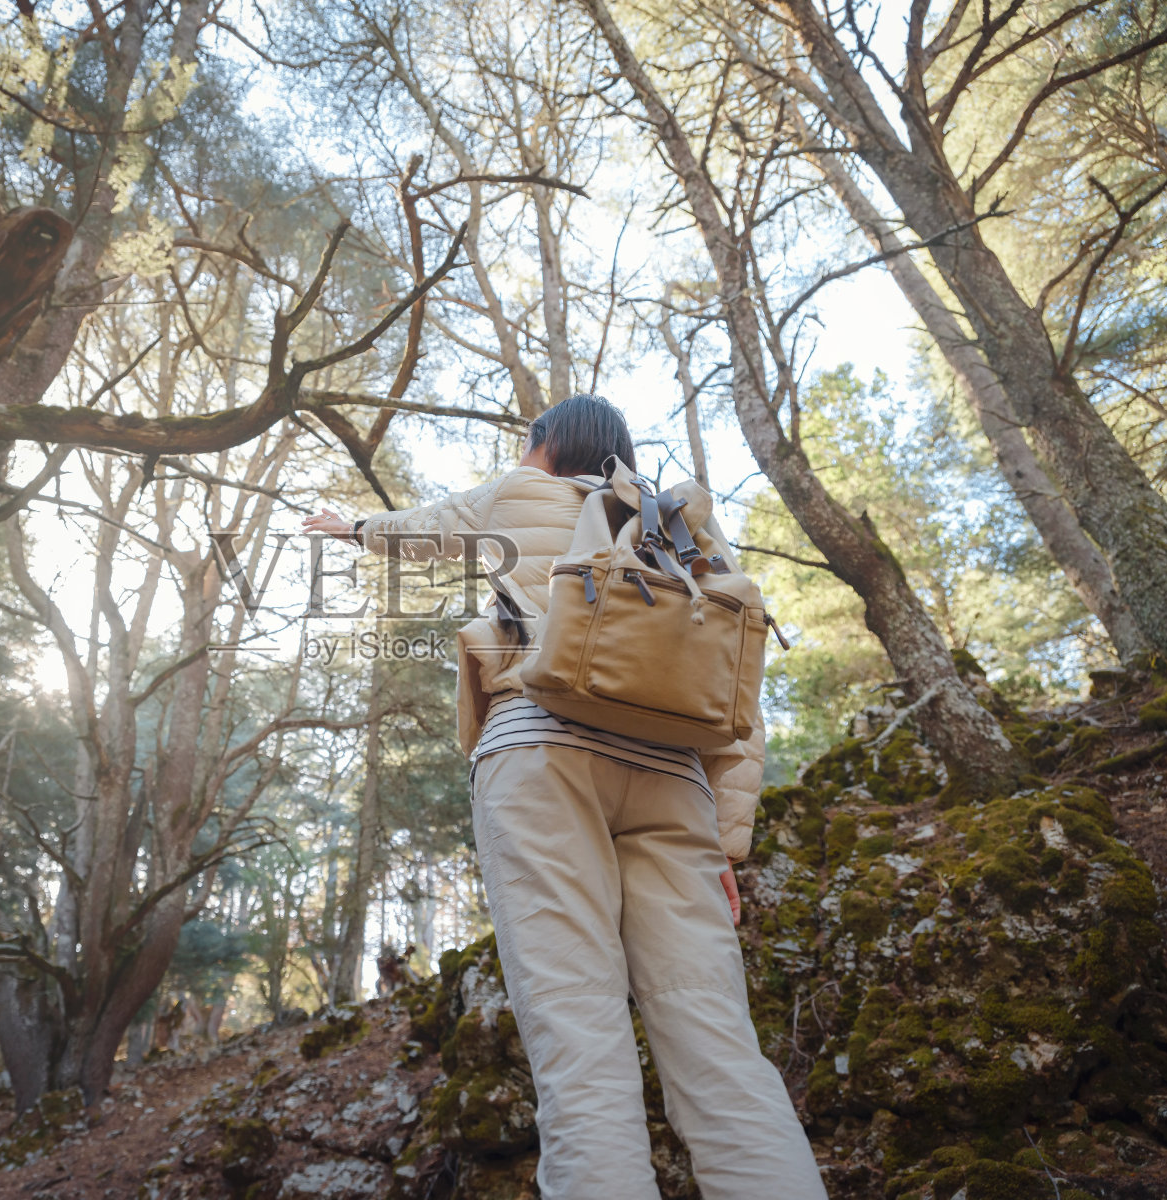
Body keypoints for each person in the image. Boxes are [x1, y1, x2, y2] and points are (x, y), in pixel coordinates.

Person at [304, 395, 826, 1200]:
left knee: (581, 1044)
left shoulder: (518, 491)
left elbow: (425, 526)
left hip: (539, 756)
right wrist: (726, 843)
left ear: (542, 442)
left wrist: (352, 528)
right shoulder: (679, 527)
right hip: (675, 782)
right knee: (721, 1054)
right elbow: (738, 692)